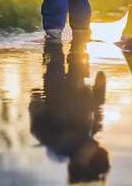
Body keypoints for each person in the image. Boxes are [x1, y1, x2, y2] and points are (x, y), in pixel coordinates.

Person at [29, 38, 109, 184]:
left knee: (55, 59)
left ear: (77, 162)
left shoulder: (58, 144)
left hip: (57, 94)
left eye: (95, 155)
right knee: (76, 58)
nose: (98, 146)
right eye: (101, 151)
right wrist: (99, 89)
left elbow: (36, 127)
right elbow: (96, 112)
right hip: (77, 92)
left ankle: (55, 36)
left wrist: (35, 104)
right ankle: (71, 36)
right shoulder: (88, 139)